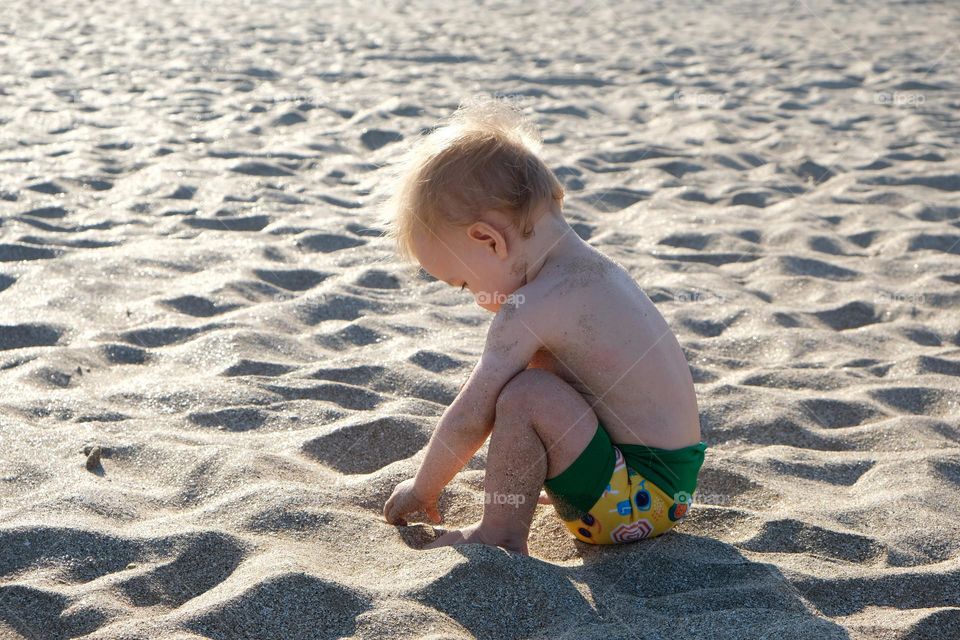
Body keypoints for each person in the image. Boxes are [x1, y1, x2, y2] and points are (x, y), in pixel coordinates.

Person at [379, 94, 707, 556]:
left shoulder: (532, 305)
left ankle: (501, 532)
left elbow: (473, 413)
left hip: (633, 503)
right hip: (670, 488)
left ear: (488, 240)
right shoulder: (596, 272)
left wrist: (422, 489)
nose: (476, 300)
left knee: (524, 394)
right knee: (541, 376)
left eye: (463, 282)